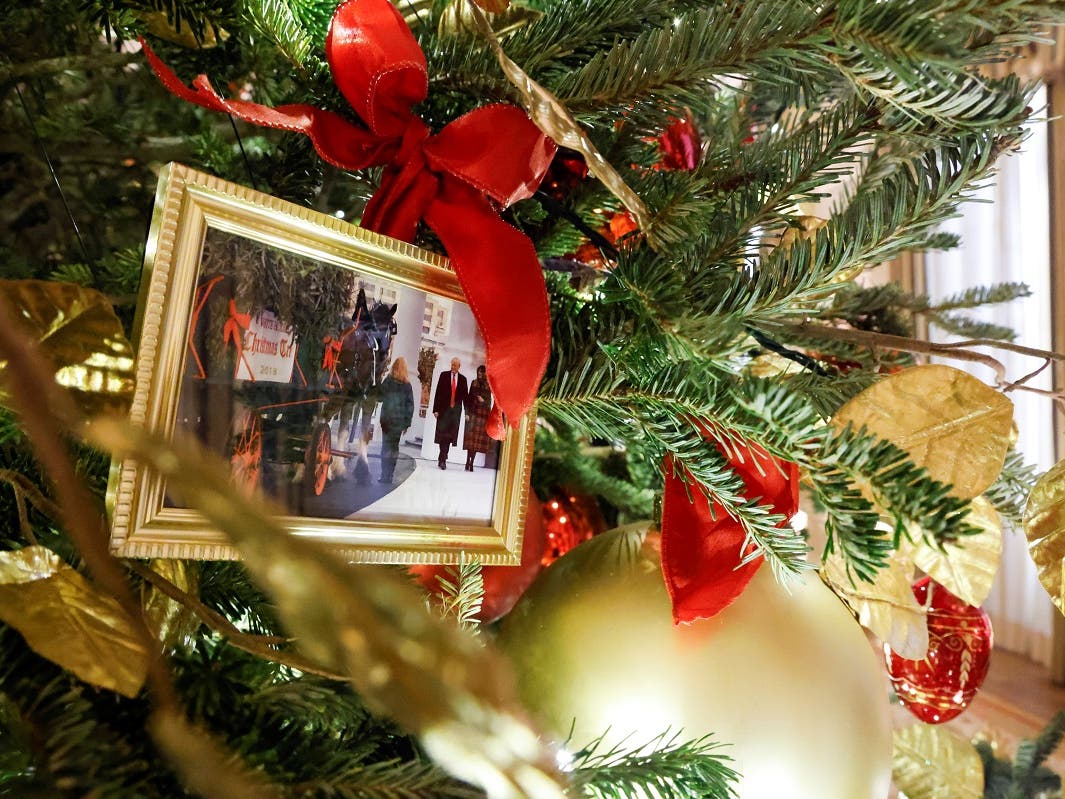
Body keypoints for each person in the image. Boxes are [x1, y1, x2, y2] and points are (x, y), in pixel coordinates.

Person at [377, 357, 414, 484]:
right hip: (398, 423)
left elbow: (379, 397)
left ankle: (384, 475)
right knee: (394, 448)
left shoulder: (388, 381)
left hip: (387, 419)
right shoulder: (407, 386)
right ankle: (390, 475)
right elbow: (410, 406)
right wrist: (407, 424)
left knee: (385, 447)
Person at [432, 357, 467, 469]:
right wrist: (435, 409)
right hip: (443, 411)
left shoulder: (463, 379)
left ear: (459, 367)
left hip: (455, 413)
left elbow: (465, 397)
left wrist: (467, 412)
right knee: (442, 435)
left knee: (449, 436)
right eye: (452, 364)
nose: (453, 367)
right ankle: (443, 459)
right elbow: (438, 392)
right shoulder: (444, 375)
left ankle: (443, 458)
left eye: (455, 365)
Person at [463, 365, 493, 471]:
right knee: (470, 440)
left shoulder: (488, 386)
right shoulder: (473, 382)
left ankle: (471, 463)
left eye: (482, 372)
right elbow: (468, 399)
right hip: (473, 413)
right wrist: (467, 413)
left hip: (482, 415)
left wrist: (483, 401)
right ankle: (467, 461)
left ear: (485, 373)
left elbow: (489, 403)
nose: (480, 374)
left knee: (476, 441)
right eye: (479, 372)